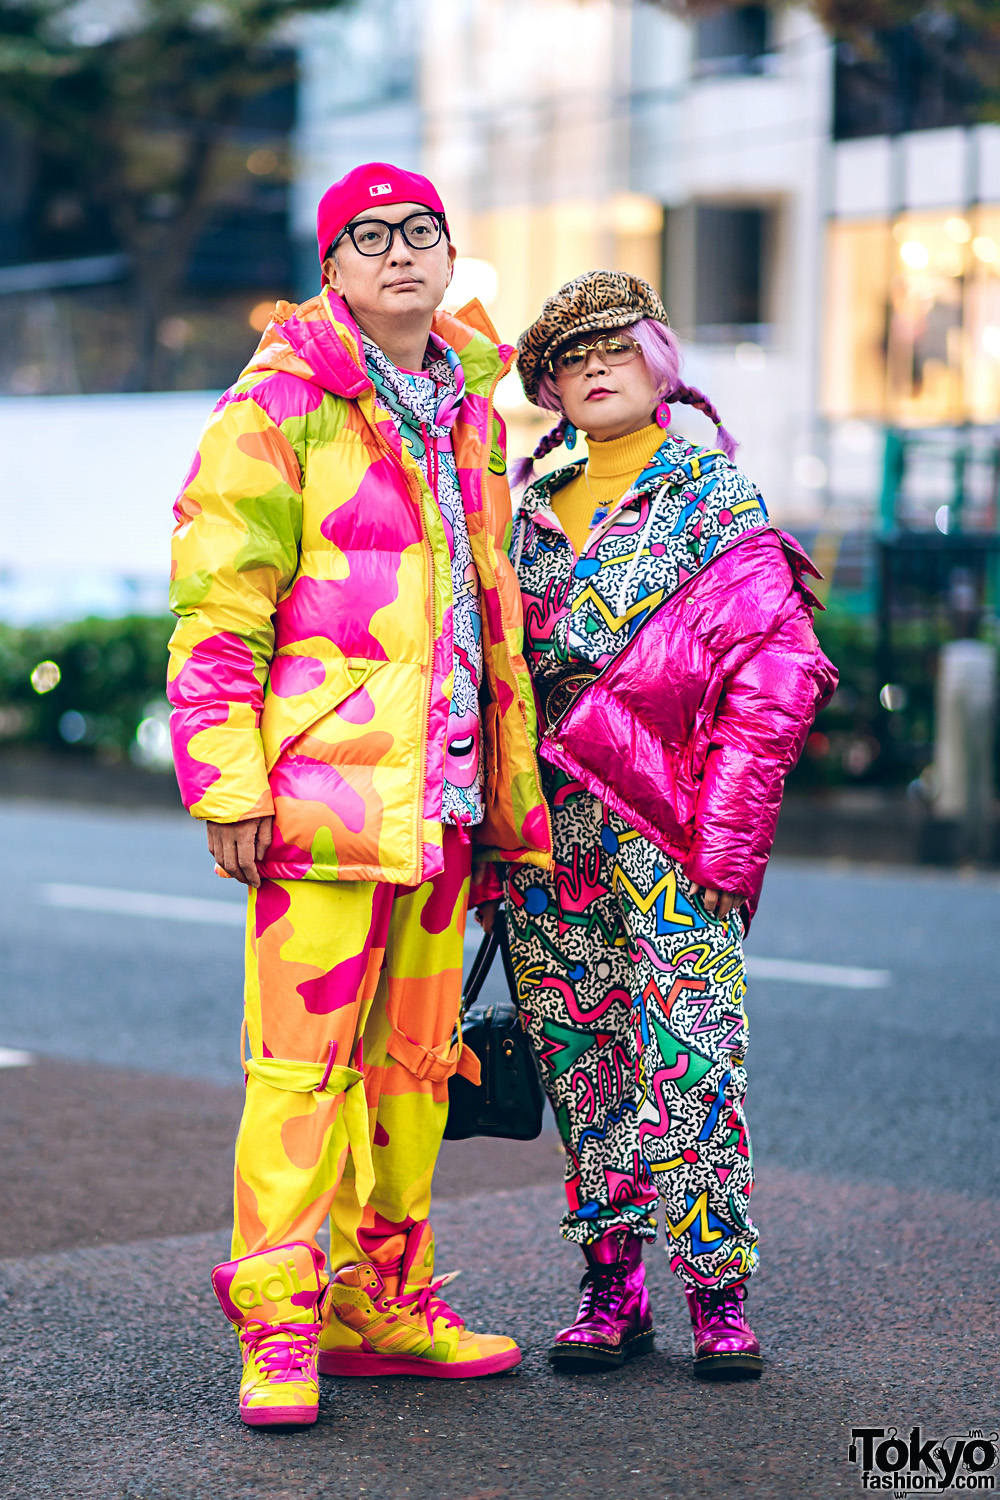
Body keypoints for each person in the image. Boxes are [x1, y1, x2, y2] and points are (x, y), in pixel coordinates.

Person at [167, 161, 551, 1426]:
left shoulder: (472, 403)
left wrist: (504, 791)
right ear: (330, 268)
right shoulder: (276, 404)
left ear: (450, 257)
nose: (399, 254)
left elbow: (485, 608)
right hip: (323, 801)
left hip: (440, 806)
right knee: (298, 1072)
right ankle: (278, 1325)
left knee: (414, 1070)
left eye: (421, 233)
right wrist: (227, 782)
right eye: (368, 237)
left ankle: (382, 1303)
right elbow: (219, 605)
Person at [479, 270, 836, 1381]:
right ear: (544, 386)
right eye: (567, 358)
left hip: (669, 820)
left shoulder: (712, 497)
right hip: (547, 829)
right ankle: (609, 1289)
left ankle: (716, 1297)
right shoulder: (524, 506)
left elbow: (773, 679)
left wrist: (727, 842)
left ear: (658, 362)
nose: (591, 367)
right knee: (581, 1060)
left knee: (691, 1060)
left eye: (613, 349)